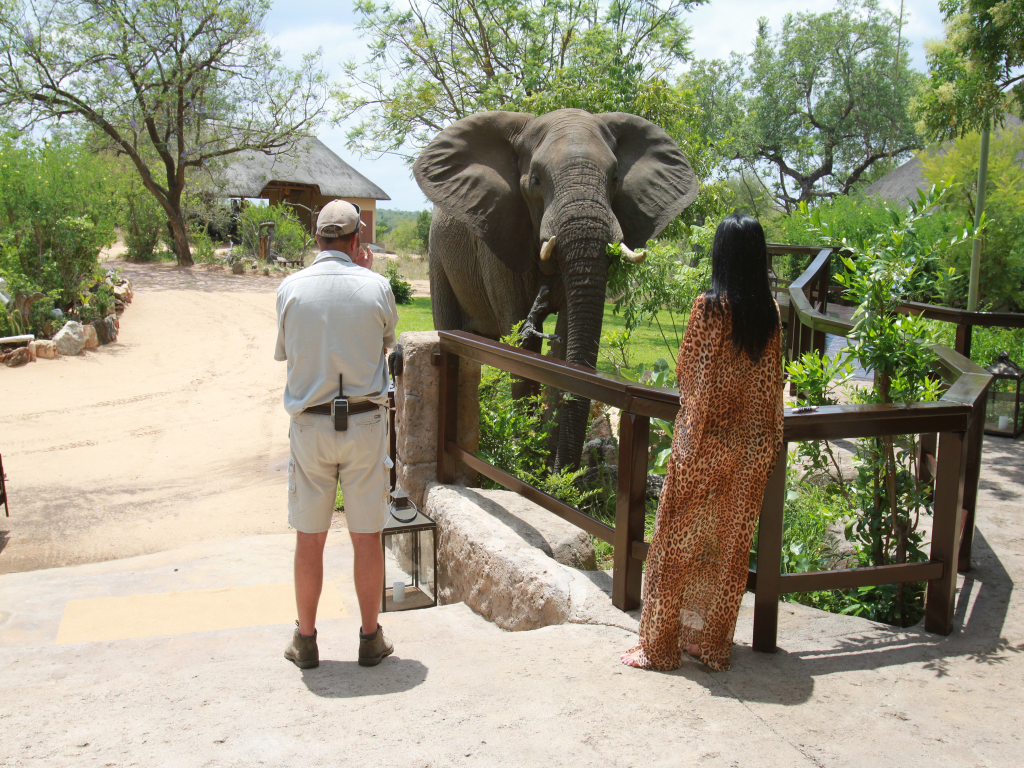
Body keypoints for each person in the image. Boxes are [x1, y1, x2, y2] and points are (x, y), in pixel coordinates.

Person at [621, 213, 784, 672]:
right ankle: (710, 645)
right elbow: (773, 385)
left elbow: (688, 376)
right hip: (753, 450)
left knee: (676, 547)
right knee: (729, 550)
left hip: (705, 446)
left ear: (722, 256)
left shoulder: (708, 308)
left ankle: (660, 647)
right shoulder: (770, 313)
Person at [275, 200, 399, 669]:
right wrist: (365, 271)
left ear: (316, 239)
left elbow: (287, 351)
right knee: (366, 535)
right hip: (365, 423)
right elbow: (386, 340)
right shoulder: (377, 286)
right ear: (356, 240)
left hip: (310, 424)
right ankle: (370, 637)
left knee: (311, 536)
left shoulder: (290, 289)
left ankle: (305, 640)